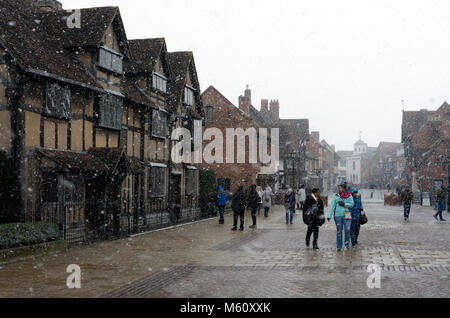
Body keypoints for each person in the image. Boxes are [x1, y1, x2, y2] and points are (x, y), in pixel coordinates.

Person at [327, 184, 354, 251]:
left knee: (347, 229)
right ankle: (339, 246)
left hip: (347, 214)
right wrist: (329, 216)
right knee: (339, 231)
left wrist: (345, 204)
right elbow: (332, 206)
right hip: (338, 216)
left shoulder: (349, 195)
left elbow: (352, 204)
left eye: (340, 188)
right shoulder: (336, 196)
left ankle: (346, 244)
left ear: (344, 189)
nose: (339, 189)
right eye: (338, 188)